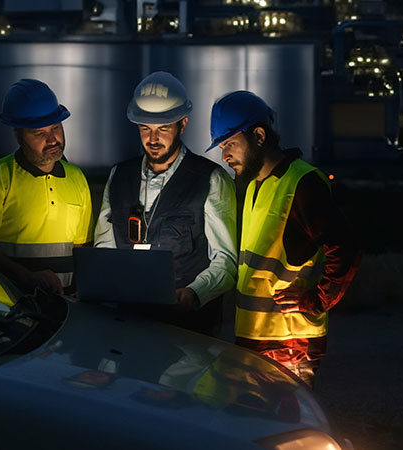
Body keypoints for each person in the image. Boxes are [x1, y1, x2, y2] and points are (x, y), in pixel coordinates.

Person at [208, 90, 362, 388]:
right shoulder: (256, 185)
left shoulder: (302, 184)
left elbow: (347, 248)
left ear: (259, 136)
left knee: (288, 431)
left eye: (230, 144)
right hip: (258, 340)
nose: (224, 156)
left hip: (289, 345)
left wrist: (316, 300)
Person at [93, 71, 237, 336]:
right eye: (145, 128)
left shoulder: (210, 179)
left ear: (183, 124)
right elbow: (104, 247)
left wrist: (195, 293)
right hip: (129, 325)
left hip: (189, 331)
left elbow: (225, 260)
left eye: (163, 128)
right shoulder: (120, 175)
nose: (153, 138)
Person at [0, 79, 93, 296]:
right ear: (18, 135)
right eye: (39, 133)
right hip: (14, 303)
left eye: (56, 128)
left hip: (68, 306)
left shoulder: (77, 178)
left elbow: (83, 250)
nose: (52, 139)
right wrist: (25, 277)